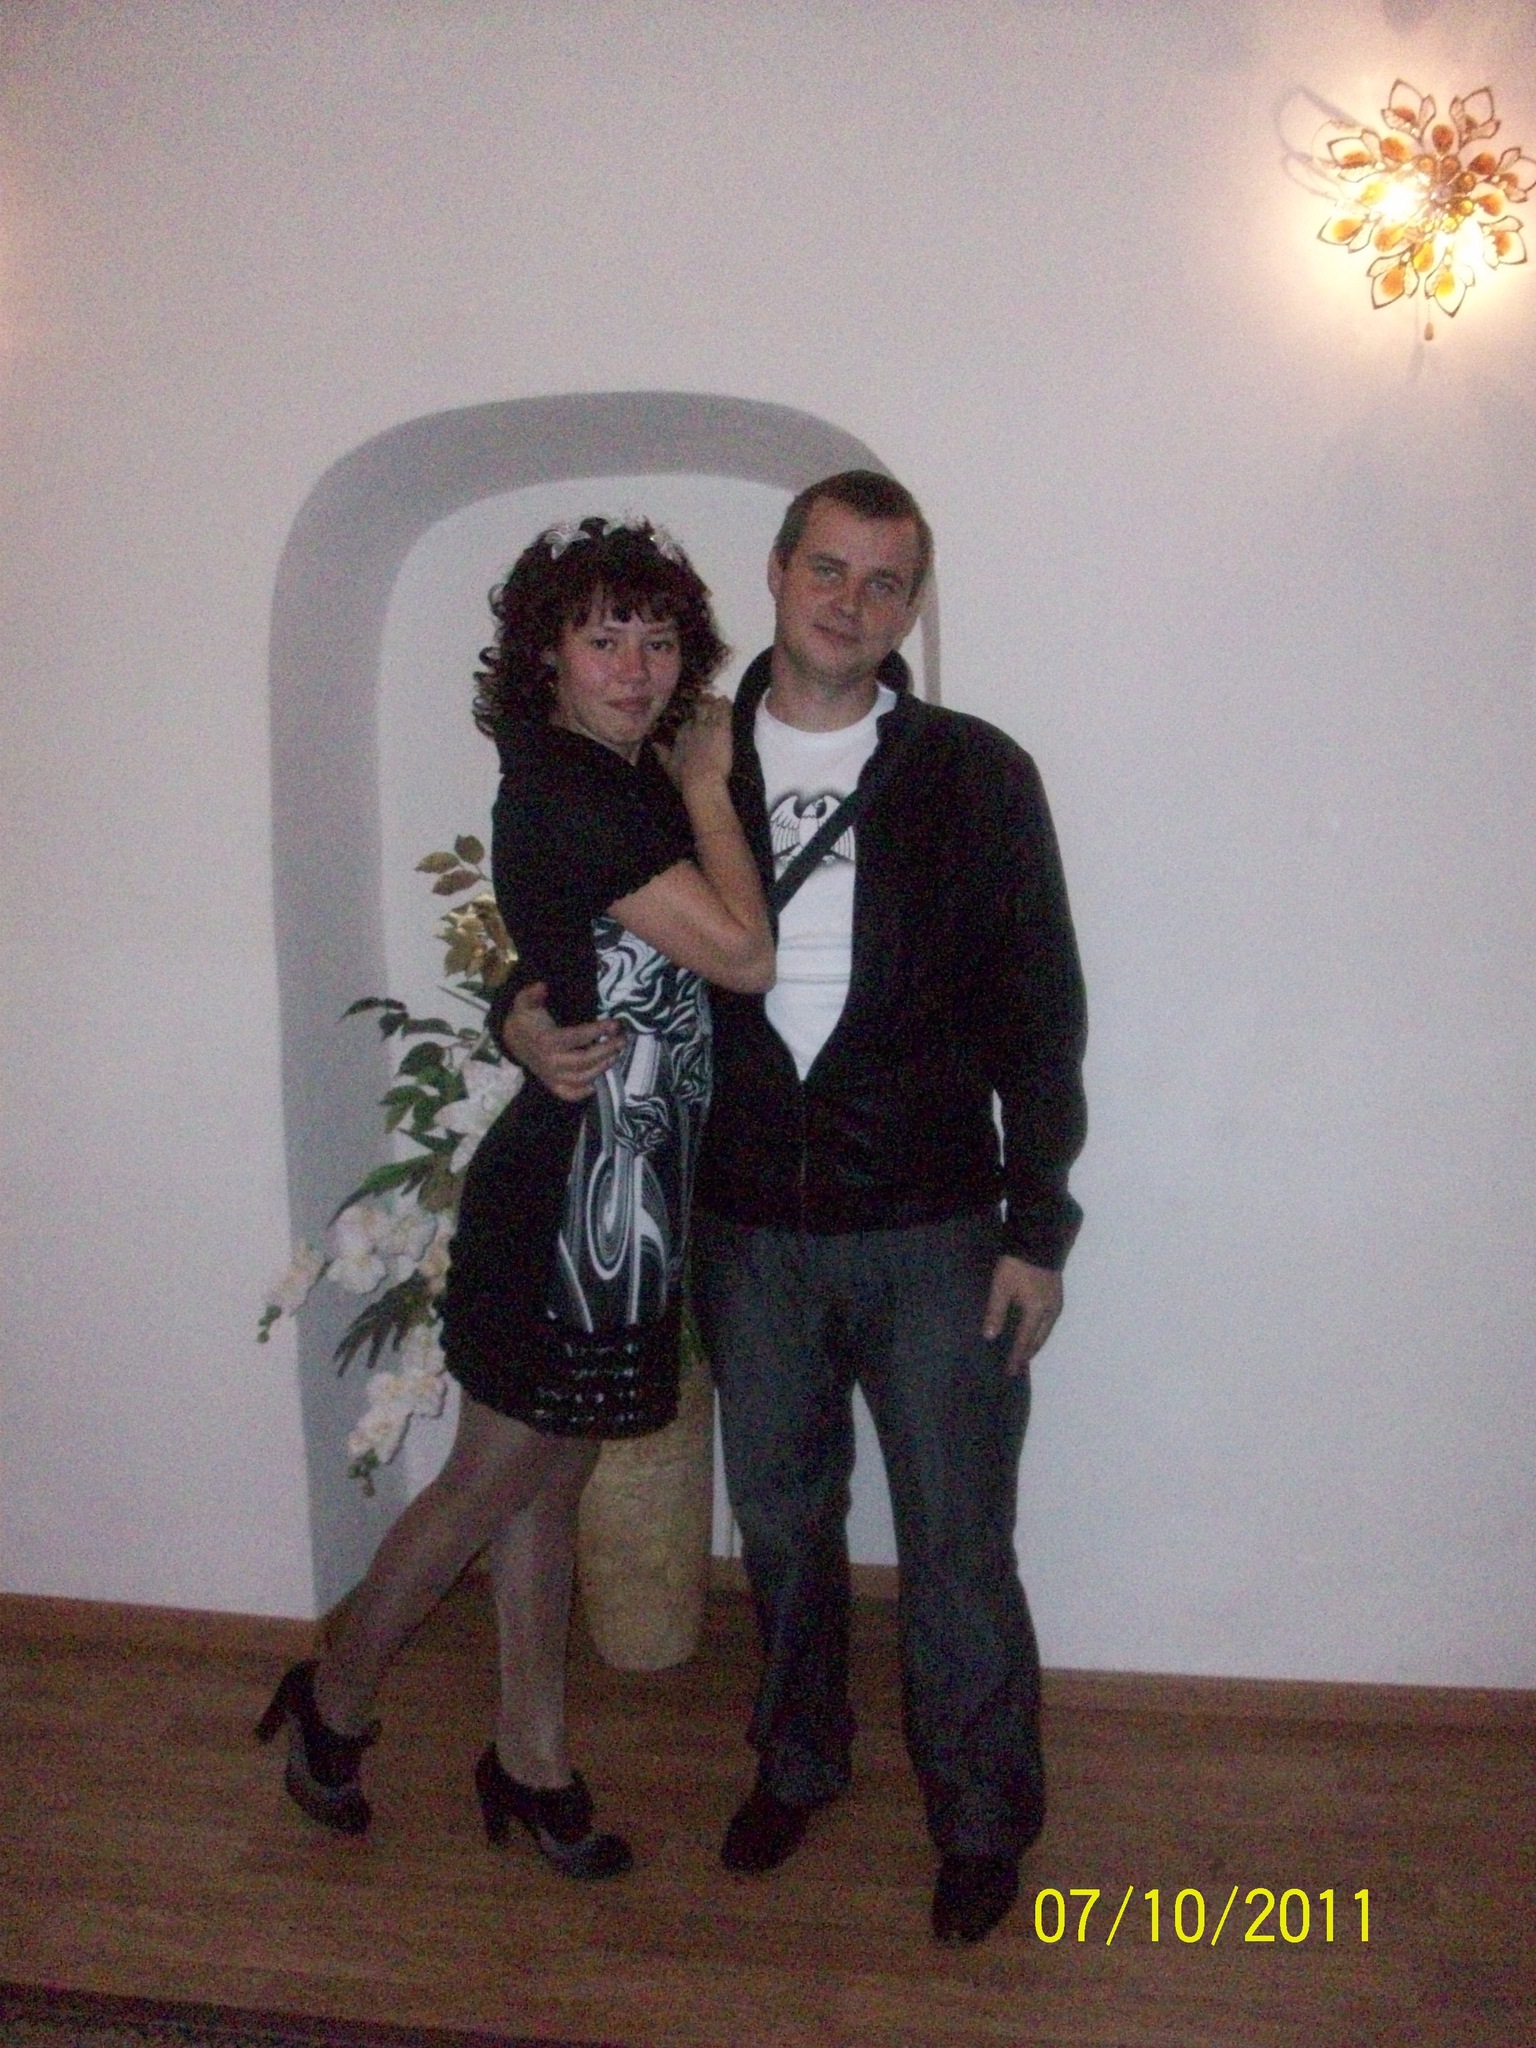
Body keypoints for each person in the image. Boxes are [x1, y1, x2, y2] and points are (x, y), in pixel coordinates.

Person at [502, 472, 1087, 1943]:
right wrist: (517, 1007)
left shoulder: (976, 772)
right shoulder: (676, 759)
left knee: (959, 1542)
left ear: (913, 605)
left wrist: (1038, 1227)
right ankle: (799, 1762)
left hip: (936, 1223)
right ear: (776, 572)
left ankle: (981, 1817)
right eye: (828, 568)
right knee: (779, 1524)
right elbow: (569, 901)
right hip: (749, 1222)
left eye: (886, 582)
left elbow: (1041, 1010)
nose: (852, 602)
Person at [258, 516, 773, 1880]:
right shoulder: (579, 787)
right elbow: (740, 955)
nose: (637, 668)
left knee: (552, 1474)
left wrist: (511, 1010)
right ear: (545, 655)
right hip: (567, 1203)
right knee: (498, 1475)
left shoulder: (606, 778)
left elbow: (564, 951)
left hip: (623, 1199)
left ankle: (531, 1759)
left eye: (658, 641)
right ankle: (334, 1699)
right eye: (604, 639)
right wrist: (711, 783)